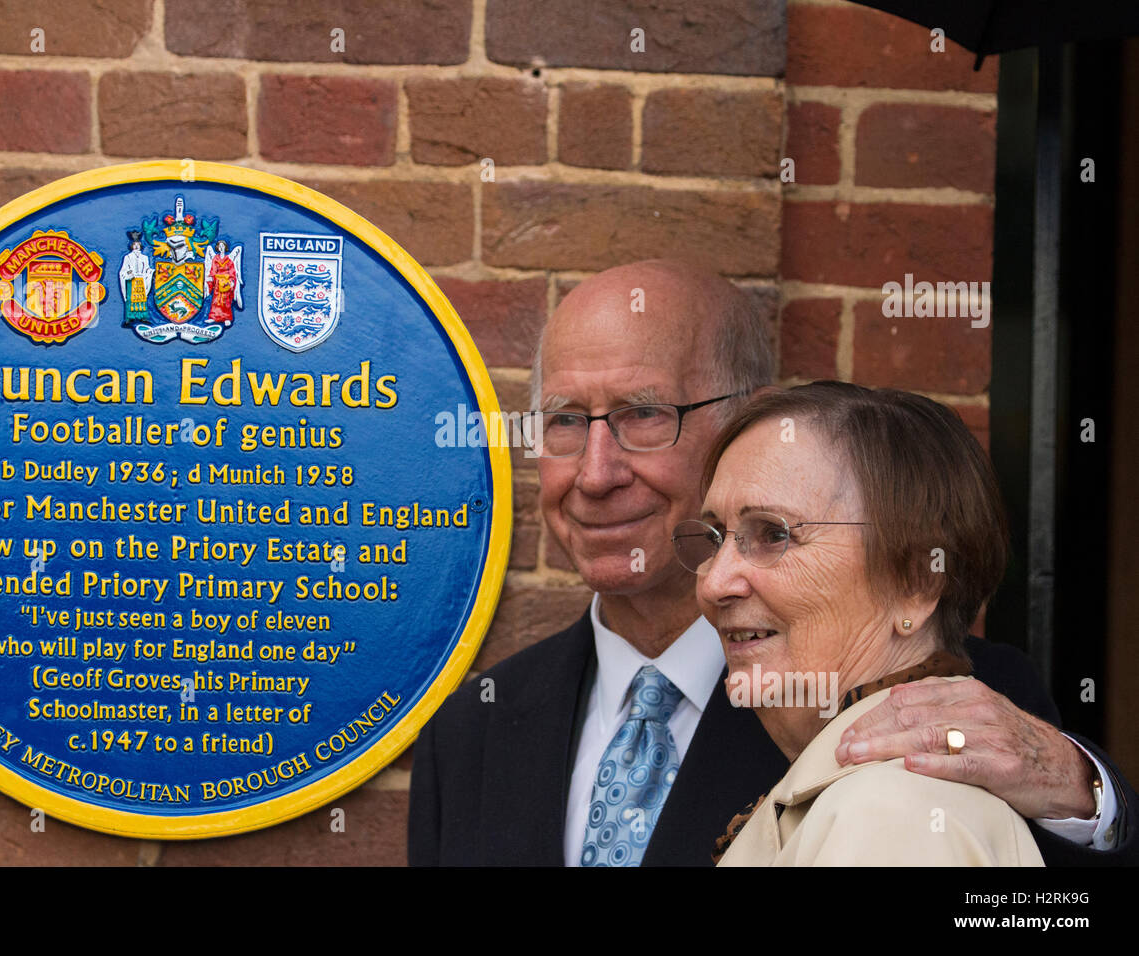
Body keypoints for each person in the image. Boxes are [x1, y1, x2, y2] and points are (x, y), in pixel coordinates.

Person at [408, 259, 1134, 866]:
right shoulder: (471, 730)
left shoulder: (947, 704)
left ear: (752, 423)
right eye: (566, 421)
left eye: (643, 414)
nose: (596, 473)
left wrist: (1079, 789)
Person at [689, 382, 1043, 864]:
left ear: (916, 583)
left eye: (774, 534)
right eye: (715, 539)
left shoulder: (892, 815)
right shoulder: (865, 798)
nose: (714, 584)